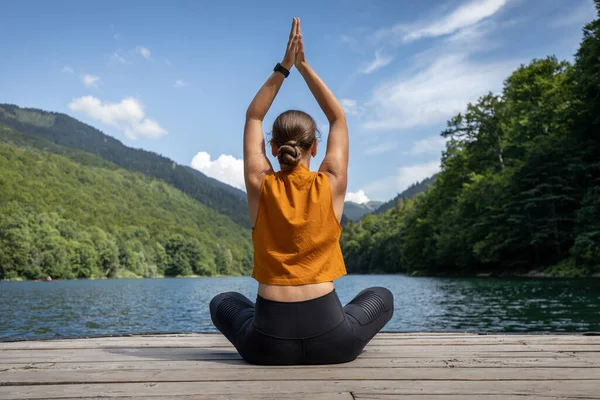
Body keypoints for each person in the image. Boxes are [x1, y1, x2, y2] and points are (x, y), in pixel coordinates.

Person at [210, 17, 393, 365]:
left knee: (222, 301)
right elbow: (338, 118)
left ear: (273, 147)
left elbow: (253, 116)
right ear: (314, 149)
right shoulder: (332, 181)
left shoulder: (259, 183)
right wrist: (305, 65)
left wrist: (284, 68)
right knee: (380, 295)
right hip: (334, 341)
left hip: (267, 345)